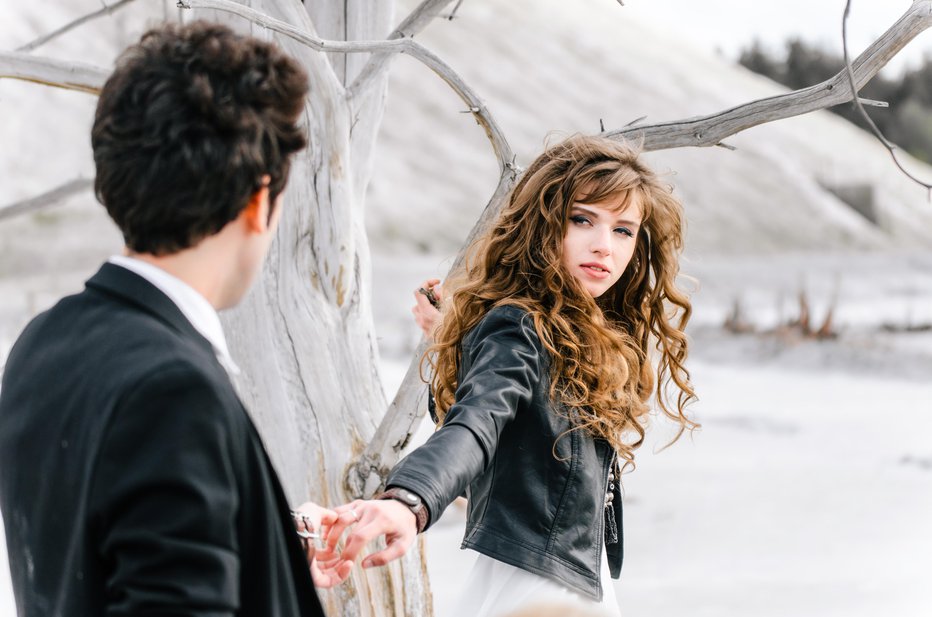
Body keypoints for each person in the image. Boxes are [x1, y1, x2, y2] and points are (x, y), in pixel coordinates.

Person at [0, 22, 350, 616]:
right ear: (258, 200)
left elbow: (101, 546)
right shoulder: (174, 389)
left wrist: (264, 545)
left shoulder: (43, 339)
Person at [324, 135, 698, 616]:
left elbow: (509, 430)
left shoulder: (578, 333)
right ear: (544, 225)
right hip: (540, 587)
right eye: (582, 219)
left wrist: (451, 340)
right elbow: (476, 426)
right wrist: (409, 500)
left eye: (623, 230)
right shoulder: (519, 326)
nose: (604, 246)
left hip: (569, 580)